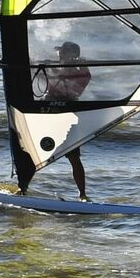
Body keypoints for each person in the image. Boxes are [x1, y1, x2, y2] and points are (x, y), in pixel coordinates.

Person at [45, 40, 92, 200]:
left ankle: (83, 194)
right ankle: (23, 187)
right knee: (32, 151)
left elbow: (84, 76)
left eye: (61, 53)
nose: (58, 55)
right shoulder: (55, 69)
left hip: (66, 117)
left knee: (73, 157)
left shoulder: (79, 74)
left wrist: (81, 64)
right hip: (46, 114)